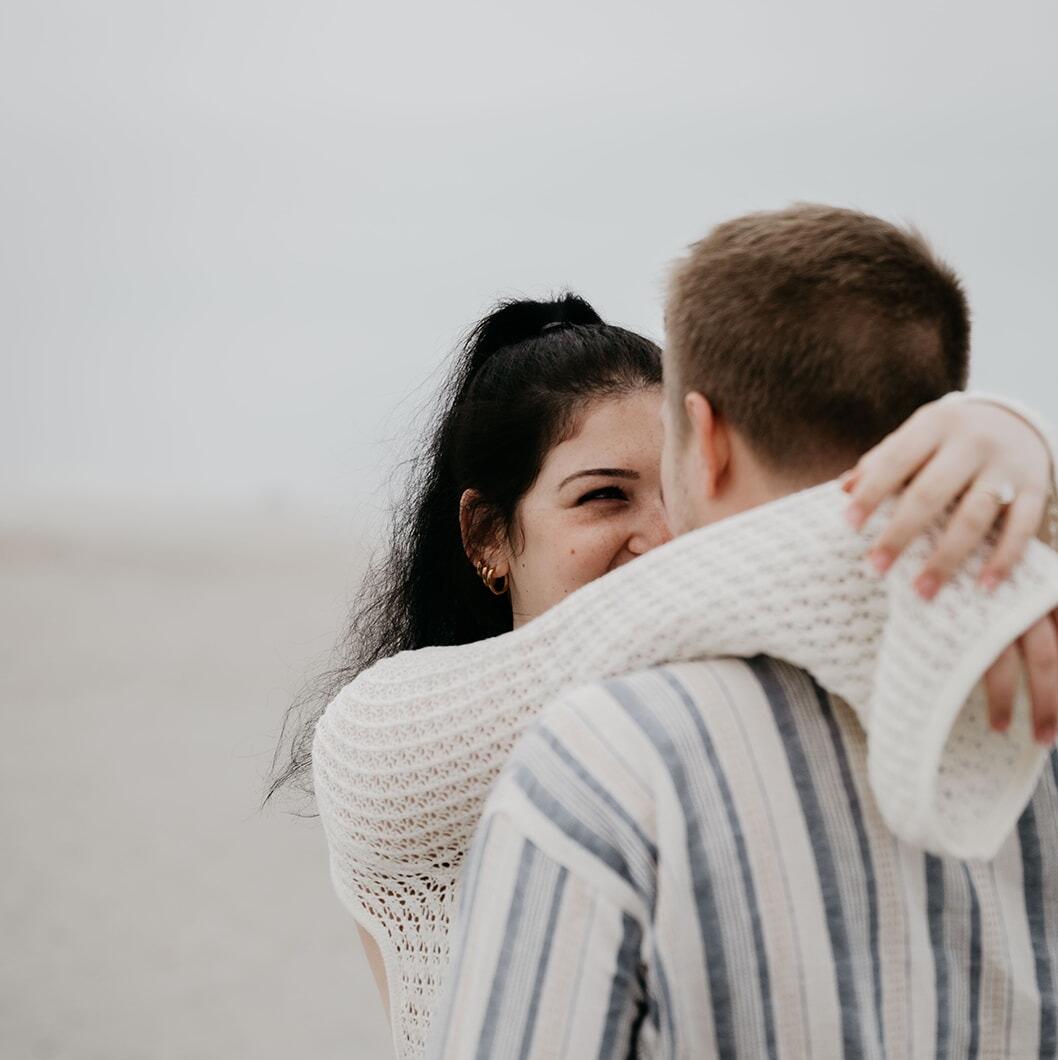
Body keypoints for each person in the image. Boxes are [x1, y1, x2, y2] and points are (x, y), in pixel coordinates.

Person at [281, 294, 1058, 1059]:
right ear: (487, 535)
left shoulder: (714, 688)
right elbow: (713, 592)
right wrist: (1005, 435)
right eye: (604, 496)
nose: (665, 538)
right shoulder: (382, 736)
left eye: (680, 495)